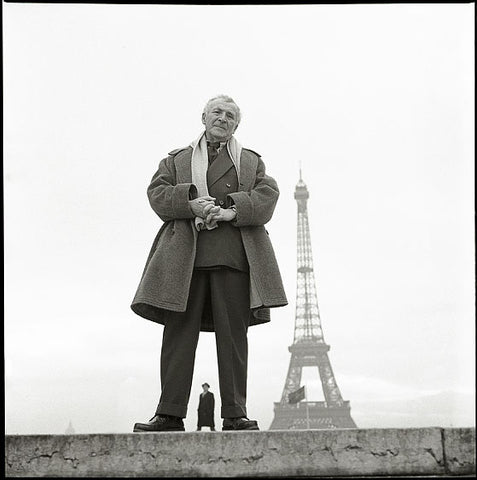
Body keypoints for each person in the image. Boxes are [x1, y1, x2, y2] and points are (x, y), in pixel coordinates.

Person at [131, 95, 287, 432]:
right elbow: (157, 193)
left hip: (232, 256)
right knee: (178, 336)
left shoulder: (250, 162)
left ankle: (235, 414)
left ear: (236, 124)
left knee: (233, 338)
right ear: (203, 117)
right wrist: (191, 204)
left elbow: (268, 194)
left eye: (230, 115)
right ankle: (169, 414)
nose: (223, 118)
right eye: (217, 112)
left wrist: (233, 209)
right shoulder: (176, 160)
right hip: (184, 259)